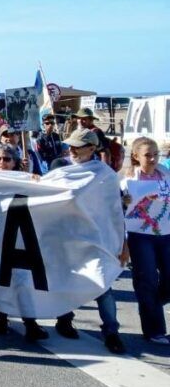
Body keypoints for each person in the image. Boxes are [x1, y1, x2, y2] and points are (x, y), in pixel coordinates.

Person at [48, 128, 127, 354]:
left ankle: (111, 332)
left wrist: (124, 244)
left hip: (96, 239)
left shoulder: (105, 175)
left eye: (78, 146)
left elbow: (116, 211)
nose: (72, 150)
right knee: (66, 280)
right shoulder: (59, 167)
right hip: (66, 236)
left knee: (103, 285)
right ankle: (64, 319)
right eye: (71, 145)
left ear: (92, 148)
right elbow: (45, 193)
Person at [0, 143, 50, 341]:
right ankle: (2, 318)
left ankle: (30, 323)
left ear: (14, 162)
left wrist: (36, 180)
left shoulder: (25, 180)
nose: (2, 163)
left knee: (23, 281)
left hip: (21, 239)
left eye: (6, 159)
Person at [120, 137, 170, 345]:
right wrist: (123, 201)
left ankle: (151, 304)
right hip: (140, 237)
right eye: (147, 155)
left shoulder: (166, 175)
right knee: (147, 280)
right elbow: (119, 214)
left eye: (155, 154)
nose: (152, 159)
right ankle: (154, 330)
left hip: (166, 234)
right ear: (136, 156)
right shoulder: (127, 182)